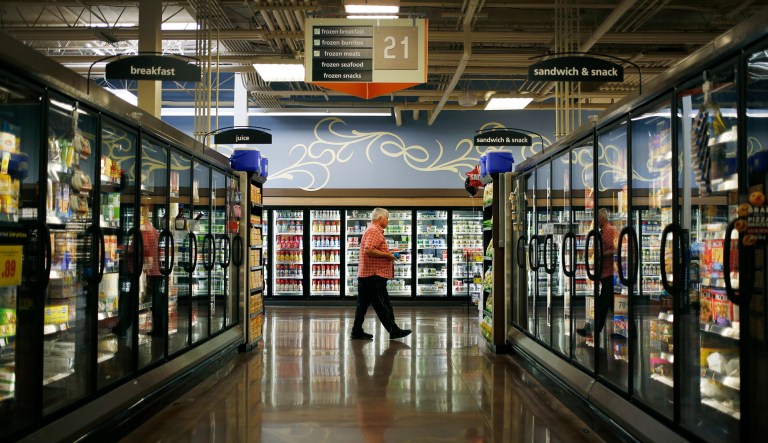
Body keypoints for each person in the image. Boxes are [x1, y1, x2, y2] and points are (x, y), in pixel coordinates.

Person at [351, 208, 412, 340]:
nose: (388, 220)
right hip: (374, 276)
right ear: (380, 219)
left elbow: (372, 249)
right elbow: (368, 250)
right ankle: (393, 330)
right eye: (387, 217)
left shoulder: (373, 230)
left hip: (366, 275)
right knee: (383, 304)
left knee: (362, 305)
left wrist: (388, 253)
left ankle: (356, 331)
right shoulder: (374, 230)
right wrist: (388, 255)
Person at [577, 207, 617, 337]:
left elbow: (617, 249)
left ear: (602, 218)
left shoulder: (610, 231)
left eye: (597, 218)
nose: (596, 221)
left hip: (610, 274)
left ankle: (592, 329)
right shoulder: (602, 232)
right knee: (612, 304)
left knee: (602, 304)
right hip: (605, 274)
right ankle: (629, 329)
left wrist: (603, 253)